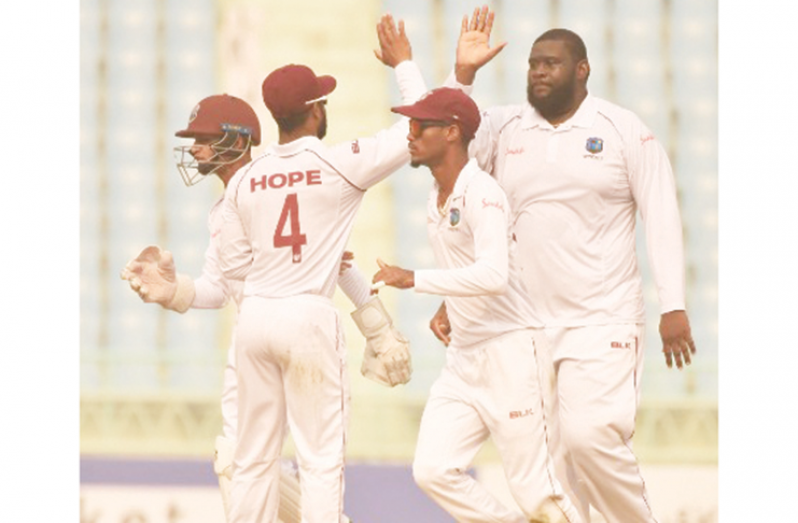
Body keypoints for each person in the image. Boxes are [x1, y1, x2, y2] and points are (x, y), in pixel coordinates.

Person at [435, 18, 698, 523]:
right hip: (524, 326)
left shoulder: (623, 131)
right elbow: (445, 138)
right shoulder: (505, 127)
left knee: (591, 437)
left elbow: (661, 214)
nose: (538, 72)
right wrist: (462, 74)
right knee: (552, 463)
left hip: (603, 319)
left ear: (582, 70)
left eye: (550, 63)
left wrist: (674, 304)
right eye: (533, 64)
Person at [119, 93, 409, 523]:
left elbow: (340, 263)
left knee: (283, 461)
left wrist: (378, 328)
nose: (195, 149)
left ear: (237, 142)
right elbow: (218, 288)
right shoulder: (225, 208)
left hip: (287, 327)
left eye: (203, 139)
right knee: (237, 459)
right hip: (256, 336)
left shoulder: (272, 182)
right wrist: (174, 291)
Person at [216, 15, 426, 523]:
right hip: (307, 316)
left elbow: (236, 264)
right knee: (319, 460)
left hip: (256, 319)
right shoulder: (338, 163)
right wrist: (405, 64)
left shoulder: (245, 178)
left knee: (251, 460)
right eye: (321, 101)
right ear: (312, 112)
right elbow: (415, 126)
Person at [372, 86, 582, 523]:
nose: (409, 134)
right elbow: (466, 265)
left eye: (419, 126)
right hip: (464, 358)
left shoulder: (483, 193)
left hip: (513, 354)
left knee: (537, 493)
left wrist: (415, 279)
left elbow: (493, 274)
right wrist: (449, 303)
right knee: (432, 469)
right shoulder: (436, 196)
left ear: (451, 133)